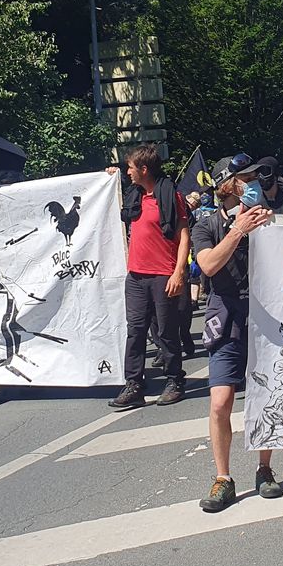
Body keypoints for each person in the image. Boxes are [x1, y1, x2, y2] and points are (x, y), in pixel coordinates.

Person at [194, 155, 282, 512]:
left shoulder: (266, 218)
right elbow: (209, 265)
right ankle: (223, 478)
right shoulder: (207, 224)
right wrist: (237, 230)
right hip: (225, 315)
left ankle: (265, 469)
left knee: (266, 397)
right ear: (225, 185)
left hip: (264, 315)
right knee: (220, 403)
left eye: (253, 178)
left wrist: (272, 227)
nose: (252, 183)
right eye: (244, 178)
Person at [113, 145, 190, 410]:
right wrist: (109, 177)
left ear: (144, 169)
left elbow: (183, 236)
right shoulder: (133, 196)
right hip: (136, 276)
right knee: (135, 331)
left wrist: (179, 272)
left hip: (162, 274)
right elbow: (110, 196)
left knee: (167, 332)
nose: (128, 172)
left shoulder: (169, 196)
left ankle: (174, 380)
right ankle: (134, 384)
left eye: (131, 167)